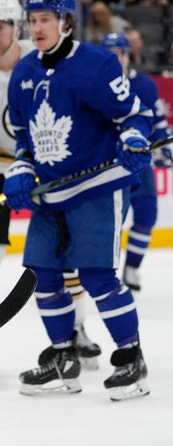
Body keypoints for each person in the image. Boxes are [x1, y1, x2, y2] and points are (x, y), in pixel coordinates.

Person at [4, 0, 153, 401]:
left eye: (45, 20)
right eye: (32, 21)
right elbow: (23, 136)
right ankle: (63, 359)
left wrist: (133, 137)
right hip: (51, 193)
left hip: (98, 187)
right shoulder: (23, 72)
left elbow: (132, 116)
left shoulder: (98, 64)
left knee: (96, 276)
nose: (36, 28)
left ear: (66, 23)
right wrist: (21, 168)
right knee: (43, 276)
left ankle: (131, 360)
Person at [0, 0, 101, 366]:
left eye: (0, 26)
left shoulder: (45, 58)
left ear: (17, 27)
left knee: (66, 253)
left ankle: (79, 329)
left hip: (48, 166)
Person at [102, 32, 171, 291]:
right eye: (108, 54)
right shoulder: (96, 84)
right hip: (108, 166)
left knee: (146, 215)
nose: (113, 58)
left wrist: (163, 147)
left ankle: (131, 268)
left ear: (127, 55)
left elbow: (159, 123)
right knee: (109, 222)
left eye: (117, 53)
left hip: (139, 163)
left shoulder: (144, 84)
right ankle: (103, 271)